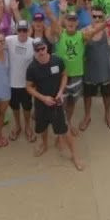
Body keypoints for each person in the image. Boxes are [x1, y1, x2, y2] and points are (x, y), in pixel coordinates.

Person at [26, 38, 85, 170]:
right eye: (37, 50)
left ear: (47, 47)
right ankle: (45, 144)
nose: (41, 52)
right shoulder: (32, 68)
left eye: (42, 48)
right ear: (34, 50)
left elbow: (64, 75)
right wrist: (43, 98)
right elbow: (29, 87)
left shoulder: (57, 61)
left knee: (64, 130)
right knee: (42, 127)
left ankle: (75, 156)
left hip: (57, 103)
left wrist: (60, 92)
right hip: (41, 103)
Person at [79, 9, 110, 132]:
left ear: (103, 17)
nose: (97, 19)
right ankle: (87, 116)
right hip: (90, 69)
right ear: (90, 16)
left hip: (105, 69)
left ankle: (107, 114)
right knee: (87, 95)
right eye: (94, 16)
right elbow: (84, 39)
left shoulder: (108, 30)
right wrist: (103, 25)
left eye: (100, 17)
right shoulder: (85, 30)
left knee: (107, 94)